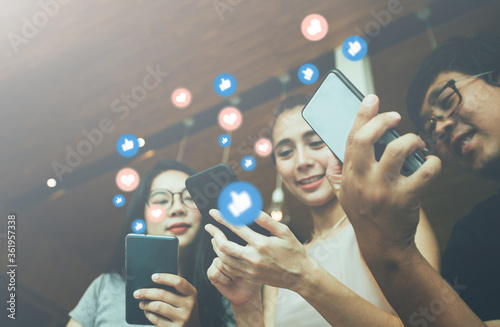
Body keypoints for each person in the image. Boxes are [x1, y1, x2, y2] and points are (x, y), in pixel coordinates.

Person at [204, 94, 441, 326]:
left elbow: (430, 323)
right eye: (285, 152)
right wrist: (246, 306)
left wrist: (304, 275)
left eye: (316, 142)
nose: (302, 161)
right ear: (278, 169)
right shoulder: (279, 262)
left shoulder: (392, 218)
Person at [328, 32, 500, 326]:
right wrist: (390, 248)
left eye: (447, 101)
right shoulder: (474, 238)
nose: (440, 129)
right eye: (430, 126)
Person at [67, 159, 235, 327]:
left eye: (190, 198)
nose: (177, 208)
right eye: (161, 201)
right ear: (144, 217)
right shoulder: (106, 286)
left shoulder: (227, 294)